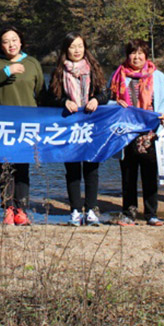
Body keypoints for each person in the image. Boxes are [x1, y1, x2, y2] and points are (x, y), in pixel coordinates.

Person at [0, 25, 43, 226]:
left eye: (14, 40)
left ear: (21, 41)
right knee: (5, 167)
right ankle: (7, 208)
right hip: (2, 125)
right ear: (0, 45)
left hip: (27, 123)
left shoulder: (32, 63)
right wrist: (7, 70)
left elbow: (41, 92)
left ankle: (21, 209)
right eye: (6, 41)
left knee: (22, 166)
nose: (11, 44)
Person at [47, 32, 110, 227]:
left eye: (80, 46)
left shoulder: (93, 69)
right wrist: (64, 101)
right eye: (72, 46)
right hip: (69, 127)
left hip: (91, 126)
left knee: (92, 168)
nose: (76, 50)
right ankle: (75, 210)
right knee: (72, 170)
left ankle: (91, 210)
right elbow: (50, 97)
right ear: (66, 49)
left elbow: (106, 94)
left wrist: (96, 100)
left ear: (85, 48)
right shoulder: (59, 72)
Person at [109, 39, 164, 226]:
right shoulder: (118, 75)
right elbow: (107, 100)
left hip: (149, 132)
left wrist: (163, 114)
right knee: (128, 175)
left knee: (150, 174)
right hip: (126, 132)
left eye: (140, 53)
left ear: (146, 55)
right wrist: (115, 104)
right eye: (132, 53)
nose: (136, 57)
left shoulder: (157, 76)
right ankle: (128, 213)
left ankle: (151, 213)